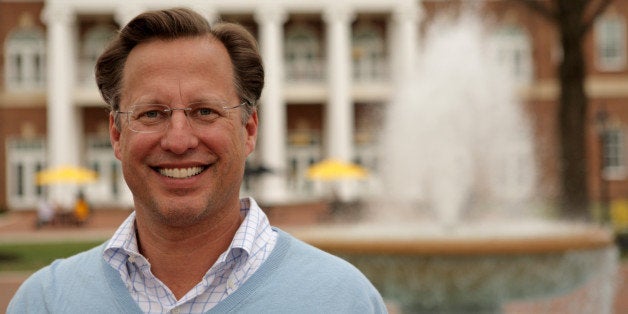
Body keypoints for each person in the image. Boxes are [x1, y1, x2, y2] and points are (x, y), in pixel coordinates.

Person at [8, 7, 387, 313]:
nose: (178, 140)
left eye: (205, 111)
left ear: (249, 129)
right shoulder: (45, 301)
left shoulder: (343, 300)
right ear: (117, 135)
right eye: (151, 114)